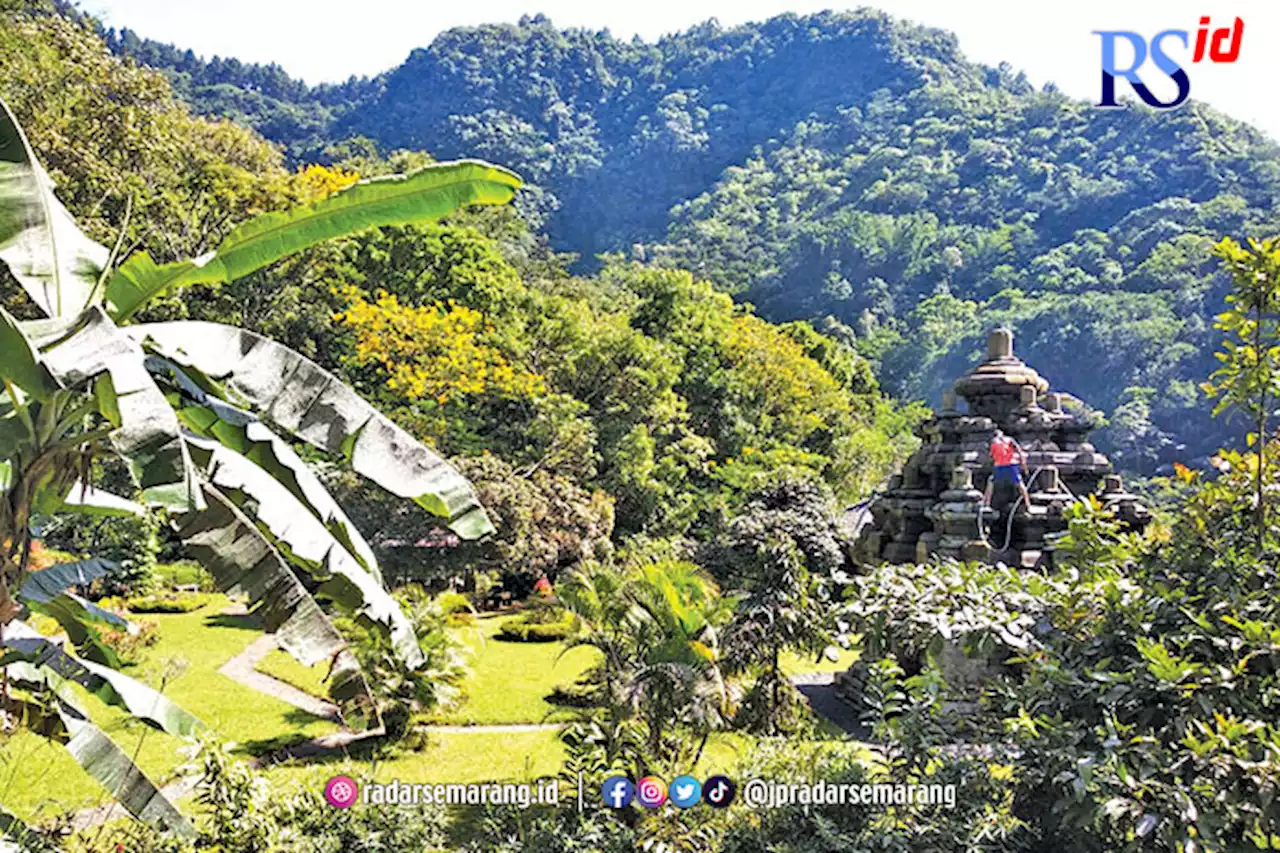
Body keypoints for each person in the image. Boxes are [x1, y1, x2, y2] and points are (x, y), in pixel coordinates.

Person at [984, 428, 1031, 509]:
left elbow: (991, 456)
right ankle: (1028, 504)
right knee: (1020, 483)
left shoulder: (993, 442)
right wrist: (1024, 465)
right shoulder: (1009, 440)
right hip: (1011, 465)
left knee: (991, 482)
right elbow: (1019, 451)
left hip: (1000, 466)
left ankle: (987, 504)